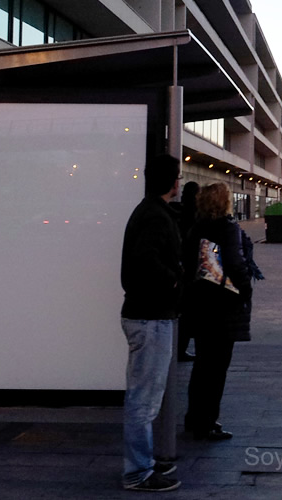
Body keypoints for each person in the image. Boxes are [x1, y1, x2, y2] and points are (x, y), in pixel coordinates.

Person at [120, 153, 183, 492]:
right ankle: (137, 472)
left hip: (147, 315)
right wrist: (173, 280)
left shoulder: (149, 211)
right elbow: (146, 261)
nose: (179, 182)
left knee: (144, 397)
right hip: (150, 316)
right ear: (170, 181)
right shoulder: (155, 216)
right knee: (143, 401)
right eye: (177, 176)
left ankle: (142, 460)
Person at [181, 182, 253, 440]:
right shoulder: (227, 228)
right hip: (223, 306)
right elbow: (235, 262)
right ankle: (207, 421)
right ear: (225, 202)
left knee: (202, 365)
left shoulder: (196, 228)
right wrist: (245, 289)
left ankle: (195, 418)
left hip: (199, 304)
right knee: (217, 368)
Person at [175, 181, 200, 362]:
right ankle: (181, 349)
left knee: (183, 313)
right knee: (188, 315)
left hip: (181, 267)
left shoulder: (178, 210)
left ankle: (179, 347)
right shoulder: (195, 215)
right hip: (190, 270)